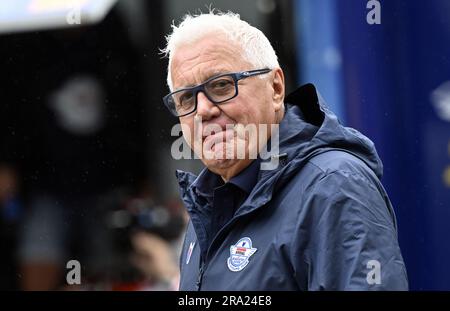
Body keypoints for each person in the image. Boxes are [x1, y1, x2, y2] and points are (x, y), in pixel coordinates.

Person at [161, 11, 408, 290]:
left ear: (276, 88)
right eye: (186, 98)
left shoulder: (334, 186)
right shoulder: (207, 206)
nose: (203, 110)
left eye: (221, 85)